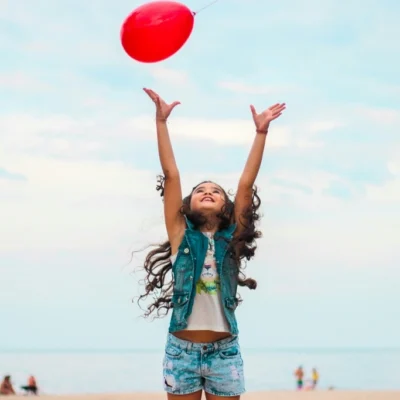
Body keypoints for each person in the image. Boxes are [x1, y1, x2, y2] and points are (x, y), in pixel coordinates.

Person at [139, 88, 286, 400]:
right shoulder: (182, 237)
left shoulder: (231, 241)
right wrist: (161, 123)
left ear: (227, 207)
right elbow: (171, 174)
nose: (207, 192)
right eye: (200, 190)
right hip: (181, 351)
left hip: (224, 351)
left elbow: (246, 184)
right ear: (188, 205)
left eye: (216, 191)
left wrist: (261, 131)